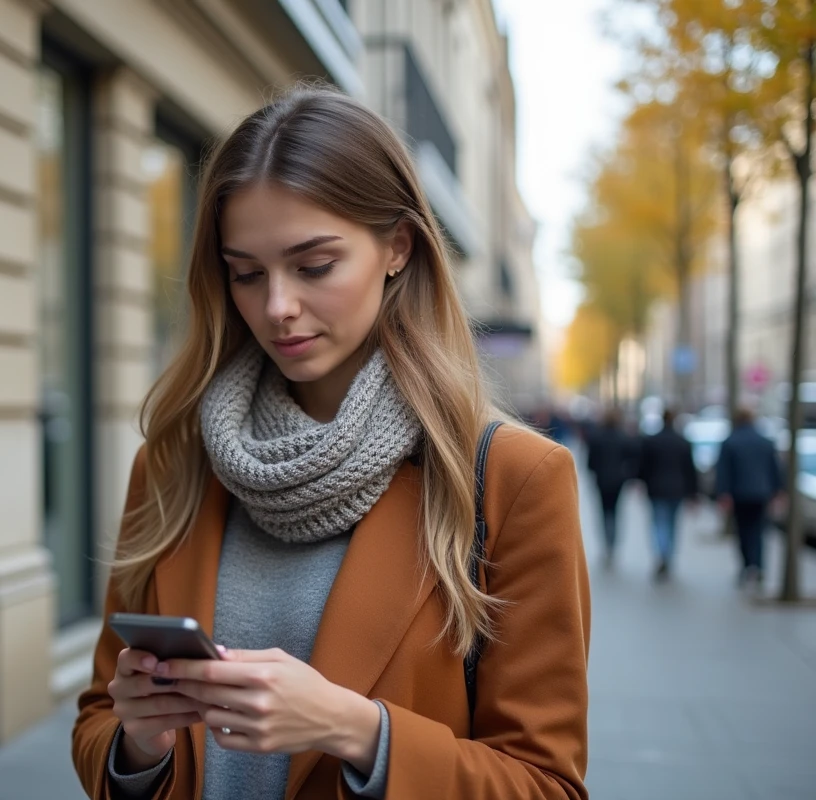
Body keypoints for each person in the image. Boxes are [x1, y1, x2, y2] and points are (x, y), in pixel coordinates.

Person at [71, 86, 589, 800]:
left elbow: (546, 784)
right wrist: (139, 742)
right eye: (246, 272)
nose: (276, 306)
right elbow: (99, 720)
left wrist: (359, 732)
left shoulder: (511, 478)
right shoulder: (174, 465)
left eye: (313, 266)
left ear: (397, 248)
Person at [716, 408, 783, 590]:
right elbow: (775, 469)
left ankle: (747, 565)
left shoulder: (730, 442)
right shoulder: (765, 442)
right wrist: (778, 491)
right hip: (761, 493)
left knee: (743, 531)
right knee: (759, 531)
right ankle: (758, 565)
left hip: (739, 494)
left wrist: (723, 493)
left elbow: (723, 471)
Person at [637, 409, 699, 580]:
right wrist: (694, 493)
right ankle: (668, 556)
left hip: (656, 489)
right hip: (677, 489)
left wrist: (640, 482)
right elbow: (690, 469)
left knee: (658, 523)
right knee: (672, 524)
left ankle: (661, 554)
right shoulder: (683, 442)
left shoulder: (651, 441)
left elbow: (643, 466)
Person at [586, 409, 639, 568]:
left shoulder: (596, 437)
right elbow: (633, 458)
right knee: (615, 512)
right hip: (618, 481)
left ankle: (607, 545)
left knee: (604, 512)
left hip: (602, 480)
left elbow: (590, 462)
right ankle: (612, 545)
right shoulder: (623, 437)